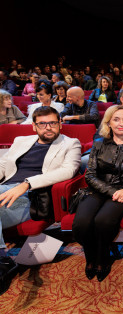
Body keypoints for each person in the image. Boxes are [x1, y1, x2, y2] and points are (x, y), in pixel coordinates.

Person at [0, 106, 81, 290]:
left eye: (52, 123)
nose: (48, 127)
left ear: (60, 124)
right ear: (34, 126)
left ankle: (3, 261)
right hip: (4, 188)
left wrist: (27, 184)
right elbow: (3, 166)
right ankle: (3, 261)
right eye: (42, 124)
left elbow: (68, 171)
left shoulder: (70, 143)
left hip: (31, 195)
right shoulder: (20, 140)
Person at [73, 105, 123, 282]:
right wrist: (115, 192)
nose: (121, 123)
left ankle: (102, 257)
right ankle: (90, 255)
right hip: (99, 189)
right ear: (108, 122)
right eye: (116, 119)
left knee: (103, 221)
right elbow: (90, 175)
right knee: (81, 224)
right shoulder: (99, 143)